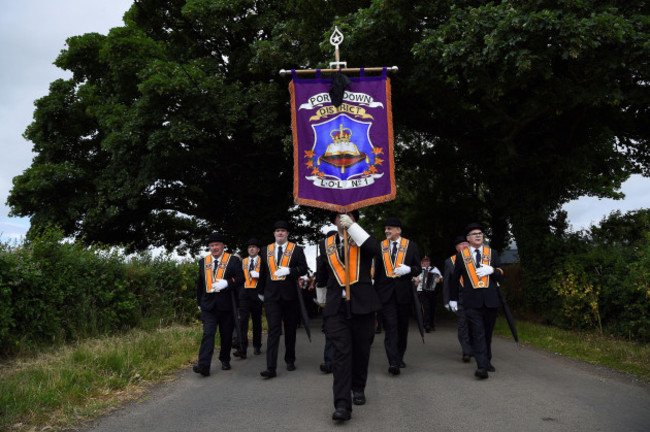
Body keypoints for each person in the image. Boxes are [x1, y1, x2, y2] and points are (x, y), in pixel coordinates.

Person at [318, 211, 381, 421]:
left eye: (349, 216)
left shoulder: (363, 237)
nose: (343, 220)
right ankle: (342, 405)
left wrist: (353, 228)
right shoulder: (326, 243)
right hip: (336, 306)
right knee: (341, 354)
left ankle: (359, 387)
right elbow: (323, 273)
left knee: (361, 350)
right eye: (340, 217)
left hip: (362, 303)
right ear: (334, 221)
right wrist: (321, 298)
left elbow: (375, 250)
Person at [450, 223, 505, 379]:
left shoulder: (492, 253)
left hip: (490, 301)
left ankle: (487, 360)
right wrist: (453, 299)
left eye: (480, 233)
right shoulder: (462, 256)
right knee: (478, 333)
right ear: (468, 239)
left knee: (487, 333)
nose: (478, 235)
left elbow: (502, 273)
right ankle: (481, 366)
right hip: (471, 302)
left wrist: (493, 270)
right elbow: (454, 280)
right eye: (474, 234)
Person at [258, 220, 308, 378]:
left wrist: (290, 270)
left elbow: (303, 269)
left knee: (290, 330)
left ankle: (290, 358)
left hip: (290, 296)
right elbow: (262, 273)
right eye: (277, 230)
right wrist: (260, 292)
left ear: (287, 233)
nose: (280, 233)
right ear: (274, 233)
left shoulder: (296, 249)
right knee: (273, 330)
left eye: (283, 231)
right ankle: (270, 367)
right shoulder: (266, 250)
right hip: (272, 296)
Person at [374, 217, 422, 375]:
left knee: (402, 328)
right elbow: (379, 272)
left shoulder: (411, 245)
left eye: (390, 228)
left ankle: (399, 356)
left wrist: (409, 269)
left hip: (403, 293)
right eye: (386, 228)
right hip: (386, 294)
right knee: (390, 327)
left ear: (398, 230)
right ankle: (393, 361)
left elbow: (418, 269)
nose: (387, 231)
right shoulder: (380, 246)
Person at [193, 233, 244, 377]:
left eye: (216, 245)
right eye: (211, 245)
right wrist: (199, 302)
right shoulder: (203, 261)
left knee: (226, 335)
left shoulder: (233, 260)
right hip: (208, 305)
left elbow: (241, 278)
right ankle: (204, 365)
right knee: (208, 334)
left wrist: (228, 283)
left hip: (226, 305)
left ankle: (225, 359)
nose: (214, 248)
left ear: (223, 246)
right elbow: (200, 284)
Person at [442, 236, 473, 362]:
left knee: (475, 324)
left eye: (466, 243)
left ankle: (475, 348)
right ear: (456, 248)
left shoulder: (476, 258)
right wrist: (447, 300)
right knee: (463, 325)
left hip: (475, 296)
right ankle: (466, 351)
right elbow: (447, 282)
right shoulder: (450, 261)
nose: (465, 246)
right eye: (461, 244)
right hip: (459, 298)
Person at [234, 237, 264, 359]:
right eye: (249, 247)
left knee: (257, 321)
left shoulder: (263, 261)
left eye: (254, 247)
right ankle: (242, 349)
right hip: (244, 294)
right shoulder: (243, 262)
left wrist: (260, 275)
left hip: (257, 295)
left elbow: (268, 277)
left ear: (258, 250)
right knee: (243, 322)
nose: (251, 249)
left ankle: (257, 345)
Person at [414, 256, 442, 332]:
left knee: (432, 308)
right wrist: (415, 280)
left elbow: (441, 278)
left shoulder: (434, 269)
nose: (427, 263)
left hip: (432, 291)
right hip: (422, 291)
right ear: (421, 263)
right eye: (425, 261)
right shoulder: (418, 269)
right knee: (426, 307)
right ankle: (427, 325)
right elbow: (412, 278)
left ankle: (431, 324)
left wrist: (438, 280)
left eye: (428, 261)